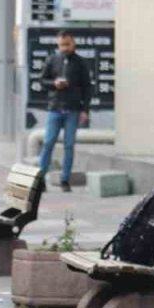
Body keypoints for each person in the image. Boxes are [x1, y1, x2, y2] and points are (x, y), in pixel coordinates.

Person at [37, 30, 92, 192]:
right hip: (55, 108)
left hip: (73, 109)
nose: (64, 48)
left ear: (73, 43)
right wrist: (54, 83)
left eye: (67, 44)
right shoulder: (52, 60)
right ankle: (41, 180)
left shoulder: (80, 63)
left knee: (69, 145)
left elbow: (87, 88)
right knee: (48, 143)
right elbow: (42, 80)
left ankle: (65, 180)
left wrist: (85, 110)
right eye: (61, 45)